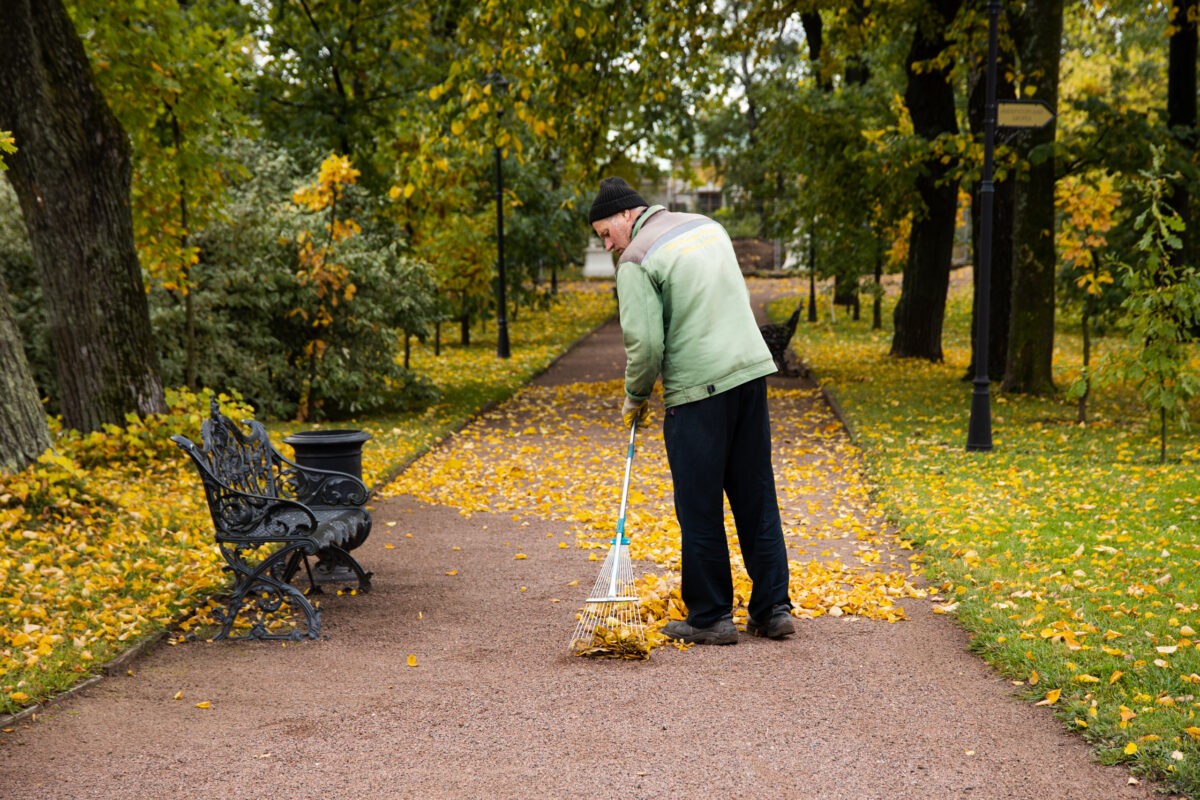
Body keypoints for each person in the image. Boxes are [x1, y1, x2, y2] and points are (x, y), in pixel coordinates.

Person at [588, 176, 795, 645]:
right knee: (755, 495)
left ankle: (710, 617)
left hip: (698, 391)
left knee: (699, 506)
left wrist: (635, 397)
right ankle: (773, 609)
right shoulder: (706, 225)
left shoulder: (636, 259)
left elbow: (645, 346)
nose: (607, 245)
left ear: (626, 215)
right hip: (749, 373)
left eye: (605, 233)